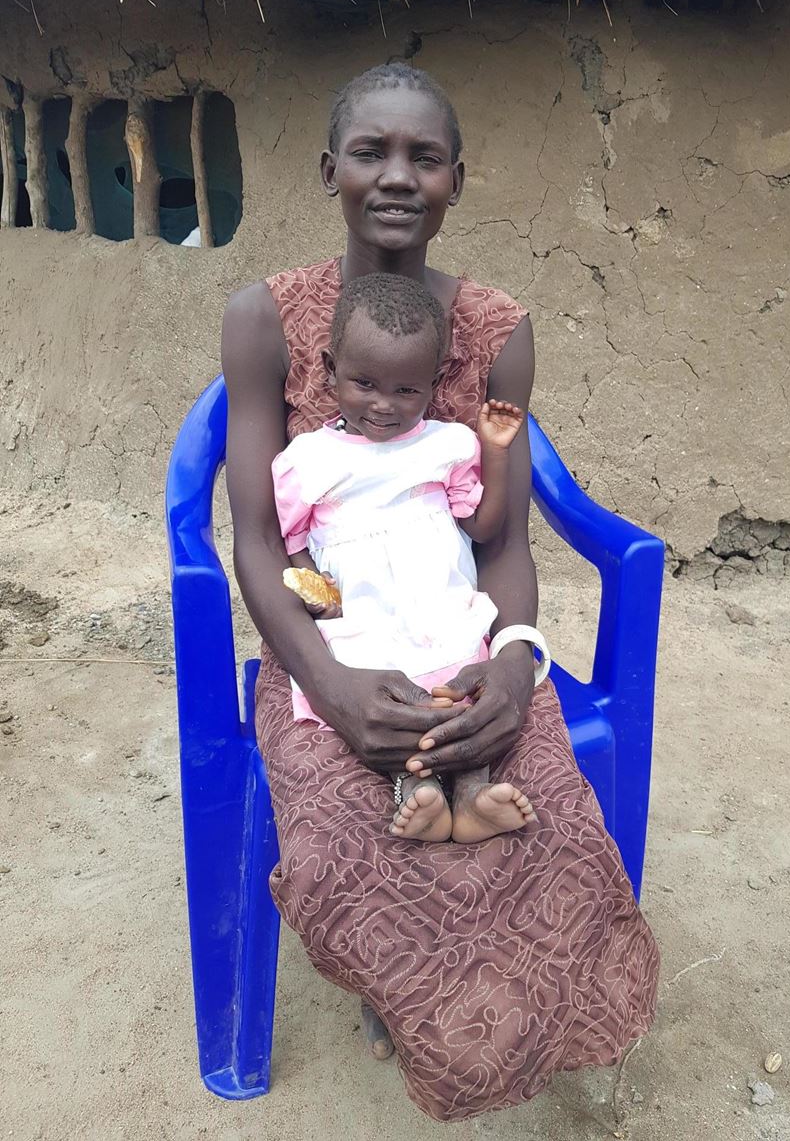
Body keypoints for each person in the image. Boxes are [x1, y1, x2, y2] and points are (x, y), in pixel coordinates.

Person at [222, 62, 659, 1121]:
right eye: (370, 151)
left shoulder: (497, 329)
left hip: (460, 627)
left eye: (424, 156)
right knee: (336, 840)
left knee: (541, 813)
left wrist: (513, 665)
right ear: (330, 168)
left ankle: (507, 1026)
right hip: (332, 638)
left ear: (458, 180)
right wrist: (326, 682)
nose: (396, 176)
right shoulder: (265, 317)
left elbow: (502, 534)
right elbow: (251, 535)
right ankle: (407, 996)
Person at [272, 270, 537, 843]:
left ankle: (474, 795)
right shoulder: (307, 461)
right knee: (392, 707)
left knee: (461, 698)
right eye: (364, 383)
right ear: (328, 371)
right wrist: (318, 593)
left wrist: (494, 451)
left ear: (434, 383)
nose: (384, 405)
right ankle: (415, 793)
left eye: (406, 391)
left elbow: (485, 526)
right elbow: (289, 544)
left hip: (438, 605)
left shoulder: (447, 445)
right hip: (368, 619)